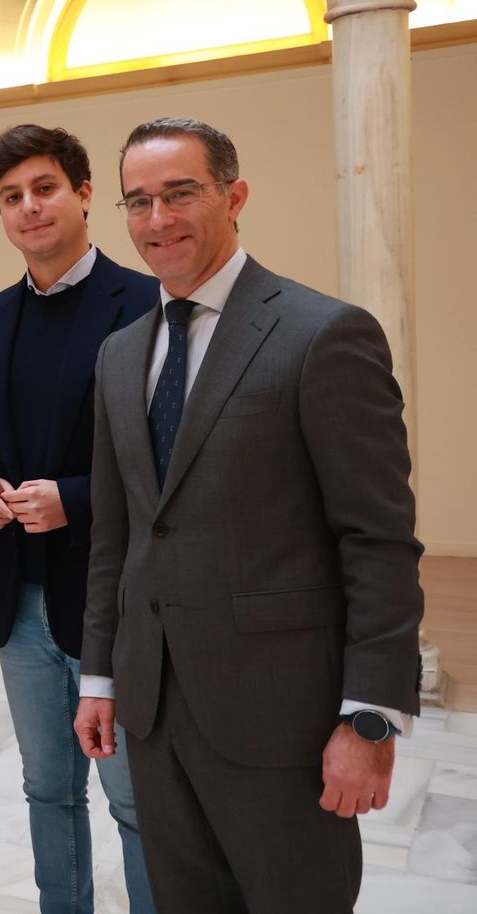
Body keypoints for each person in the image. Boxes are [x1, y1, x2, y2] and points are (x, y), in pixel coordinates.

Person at [74, 117, 424, 913]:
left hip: (281, 722)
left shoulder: (322, 335)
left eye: (180, 193)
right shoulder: (121, 354)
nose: (156, 220)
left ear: (235, 196)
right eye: (137, 202)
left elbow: (377, 541)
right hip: (156, 714)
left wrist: (369, 719)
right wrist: (101, 673)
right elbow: (118, 535)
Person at [0, 125, 157, 914]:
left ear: (84, 194)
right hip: (21, 603)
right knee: (46, 790)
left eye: (44, 189)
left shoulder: (145, 305)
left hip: (118, 604)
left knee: (135, 802)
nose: (28, 208)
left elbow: (173, 457)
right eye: (11, 197)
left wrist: (72, 497)